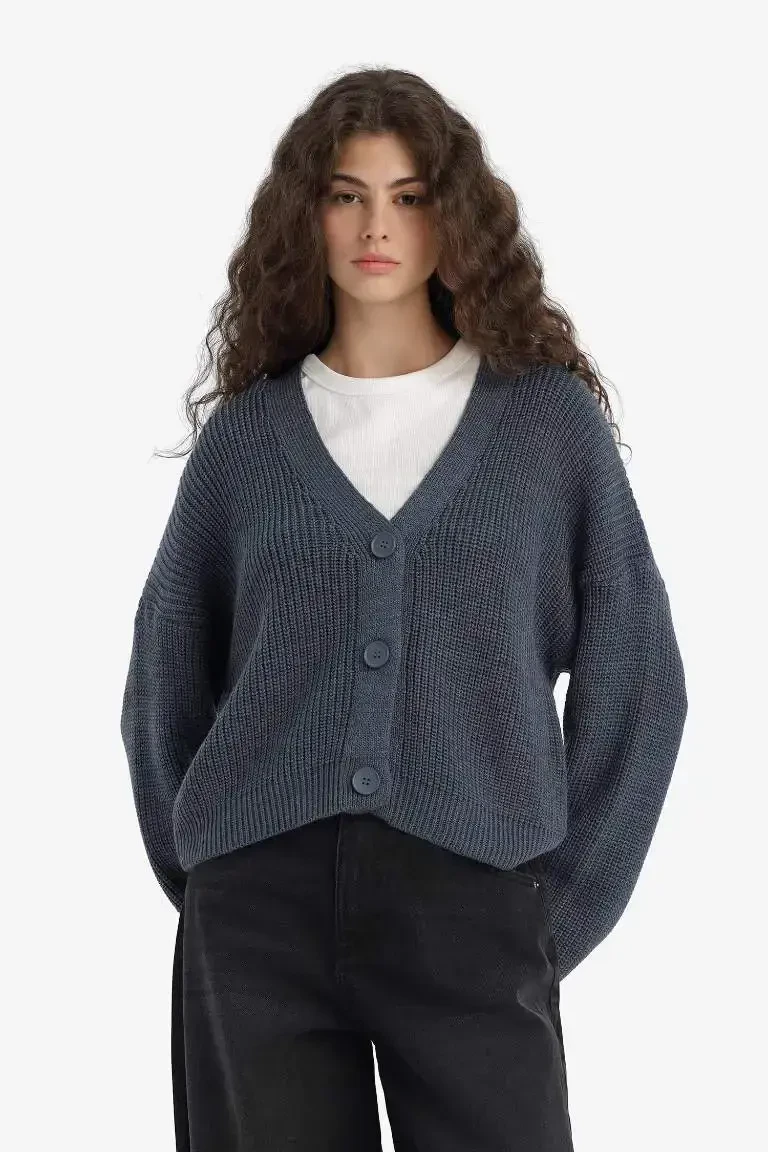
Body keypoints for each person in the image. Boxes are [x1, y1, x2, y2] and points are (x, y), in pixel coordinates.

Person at [120, 66, 688, 1152]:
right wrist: (209, 879)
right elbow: (164, 680)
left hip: (475, 902)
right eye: (346, 195)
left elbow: (640, 684)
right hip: (258, 920)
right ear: (307, 216)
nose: (376, 226)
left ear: (453, 216)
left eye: (409, 196)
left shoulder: (545, 429)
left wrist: (550, 914)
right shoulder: (248, 441)